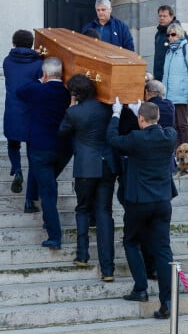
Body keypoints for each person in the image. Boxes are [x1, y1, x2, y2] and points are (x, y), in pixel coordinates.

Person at [108, 100, 177, 319]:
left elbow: (111, 139)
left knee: (131, 242)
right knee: (163, 250)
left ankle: (141, 289)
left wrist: (117, 114)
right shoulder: (170, 136)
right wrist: (142, 111)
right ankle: (166, 300)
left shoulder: (136, 139)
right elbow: (157, 124)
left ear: (140, 119)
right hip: (162, 201)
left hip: (139, 201)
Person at [58, 74, 118, 282]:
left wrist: (71, 106)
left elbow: (62, 132)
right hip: (106, 165)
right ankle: (108, 269)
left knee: (83, 209)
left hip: (85, 167)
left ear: (75, 93)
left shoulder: (74, 112)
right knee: (104, 214)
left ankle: (82, 255)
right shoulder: (106, 108)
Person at [16, 57, 72, 249]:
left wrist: (41, 80)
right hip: (64, 149)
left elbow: (20, 91)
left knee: (47, 192)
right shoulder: (67, 93)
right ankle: (47, 219)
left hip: (41, 149)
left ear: (45, 74)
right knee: (49, 184)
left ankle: (54, 236)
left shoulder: (37, 89)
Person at [2, 29, 41, 212]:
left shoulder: (7, 62)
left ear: (14, 43)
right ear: (31, 44)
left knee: (13, 143)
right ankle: (28, 200)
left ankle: (16, 169)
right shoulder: (38, 63)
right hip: (31, 111)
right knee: (32, 155)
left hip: (12, 108)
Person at [162, 22, 188, 146]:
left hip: (183, 96)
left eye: (173, 34)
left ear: (179, 35)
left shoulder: (187, 49)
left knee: (184, 125)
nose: (170, 37)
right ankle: (177, 156)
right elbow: (165, 76)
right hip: (170, 97)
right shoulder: (169, 53)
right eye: (168, 35)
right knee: (173, 126)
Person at [153, 5, 188, 81]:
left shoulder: (179, 32)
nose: (161, 18)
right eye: (160, 16)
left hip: (173, 78)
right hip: (159, 76)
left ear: (172, 17)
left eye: (165, 16)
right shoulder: (158, 34)